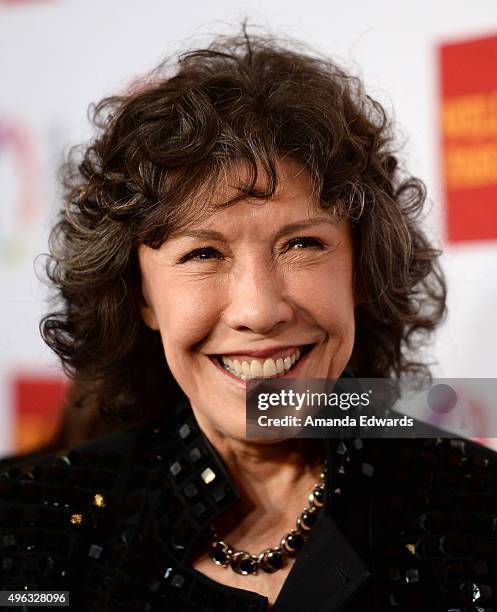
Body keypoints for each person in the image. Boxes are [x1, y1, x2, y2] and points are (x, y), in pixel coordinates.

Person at [1, 29, 495, 612]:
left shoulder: (479, 509)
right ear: (141, 297)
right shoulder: (30, 525)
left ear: (362, 271)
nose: (260, 310)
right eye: (203, 255)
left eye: (302, 245)